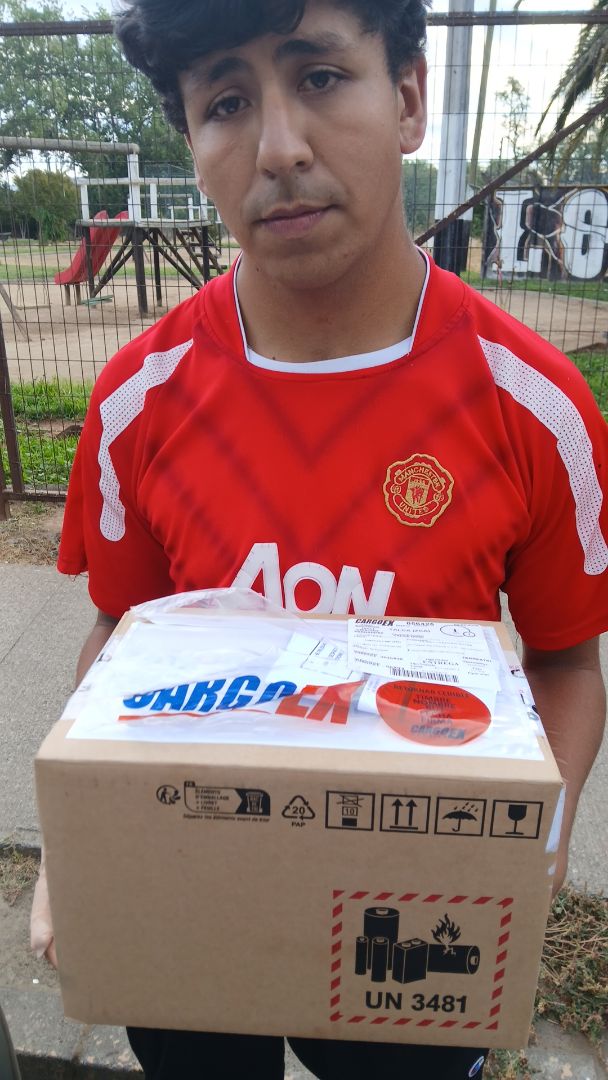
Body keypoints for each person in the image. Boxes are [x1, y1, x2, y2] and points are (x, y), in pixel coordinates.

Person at [31, 0, 608, 1077]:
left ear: (408, 98)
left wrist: (533, 842)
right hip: (193, 881)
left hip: (413, 911)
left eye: (320, 77)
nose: (279, 147)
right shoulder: (135, 401)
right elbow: (119, 634)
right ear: (192, 141)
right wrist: (80, 836)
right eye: (227, 102)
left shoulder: (533, 407)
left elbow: (568, 663)